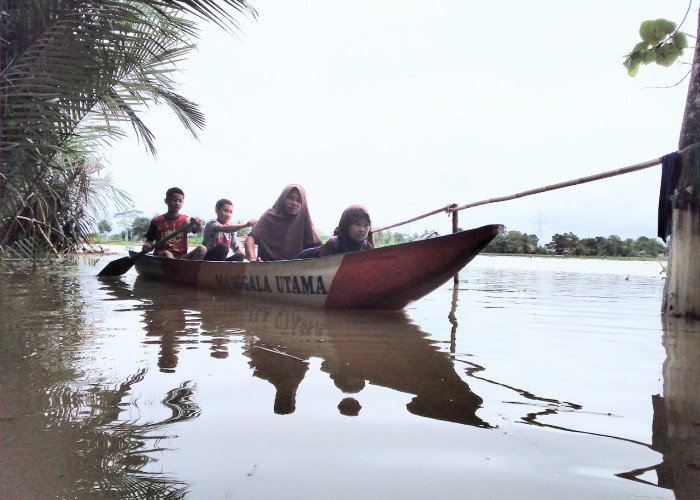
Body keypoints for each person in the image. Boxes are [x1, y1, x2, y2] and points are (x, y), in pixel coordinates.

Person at [245, 184, 322, 261]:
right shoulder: (270, 216)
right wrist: (253, 258)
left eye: (298, 200)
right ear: (283, 199)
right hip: (266, 266)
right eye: (291, 198)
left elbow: (319, 247)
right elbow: (251, 237)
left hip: (296, 266)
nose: (294, 203)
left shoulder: (304, 220)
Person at [142, 187, 206, 259]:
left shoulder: (186, 220)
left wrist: (199, 224)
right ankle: (176, 268)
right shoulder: (156, 221)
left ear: (182, 203)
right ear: (166, 201)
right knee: (167, 254)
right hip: (162, 257)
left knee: (202, 249)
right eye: (174, 200)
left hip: (181, 258)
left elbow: (199, 230)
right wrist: (147, 246)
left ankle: (190, 269)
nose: (177, 203)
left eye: (180, 201)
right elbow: (149, 240)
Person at [298, 205, 373, 258]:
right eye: (357, 224)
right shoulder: (333, 245)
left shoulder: (366, 246)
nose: (362, 229)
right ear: (346, 224)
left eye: (366, 225)